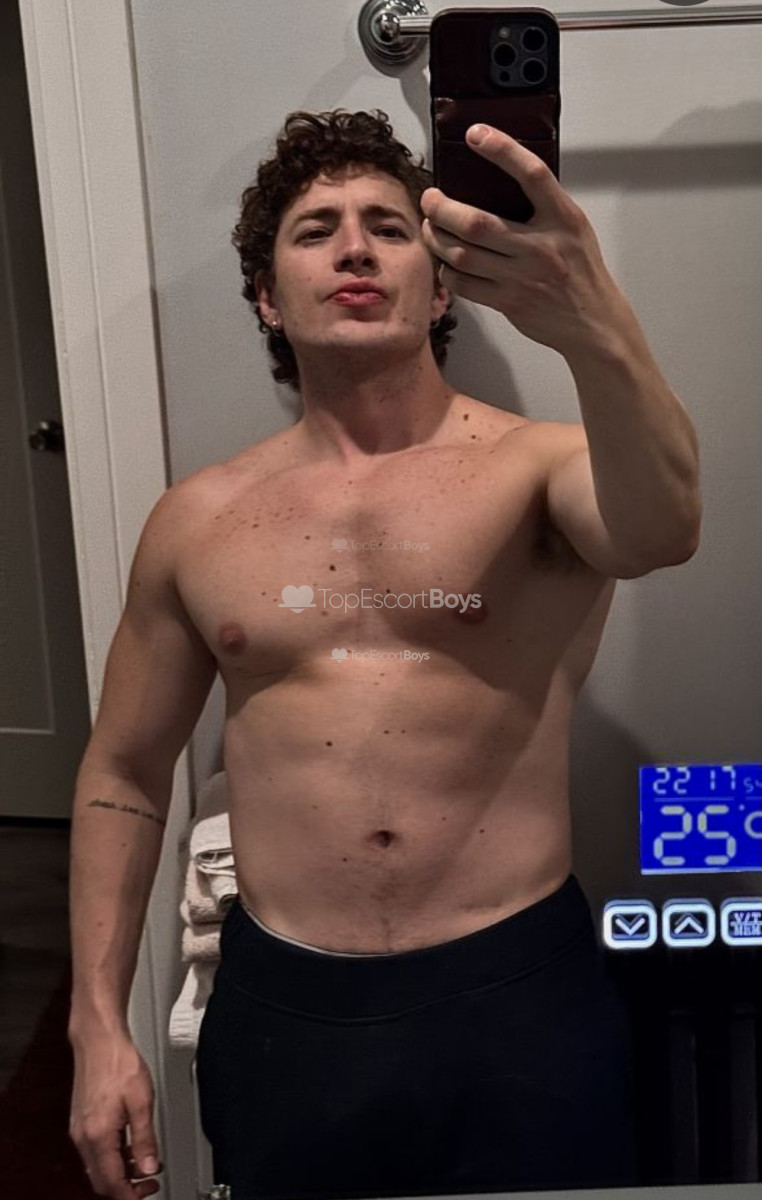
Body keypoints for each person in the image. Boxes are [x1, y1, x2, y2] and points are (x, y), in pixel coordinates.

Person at [67, 108, 702, 1200]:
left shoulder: (543, 469)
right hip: (287, 1011)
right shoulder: (197, 520)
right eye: (316, 231)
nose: (355, 248)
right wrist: (96, 1025)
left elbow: (664, 530)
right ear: (268, 297)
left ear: (441, 287)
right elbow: (123, 773)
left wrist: (594, 319)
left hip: (517, 995)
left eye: (389, 228)